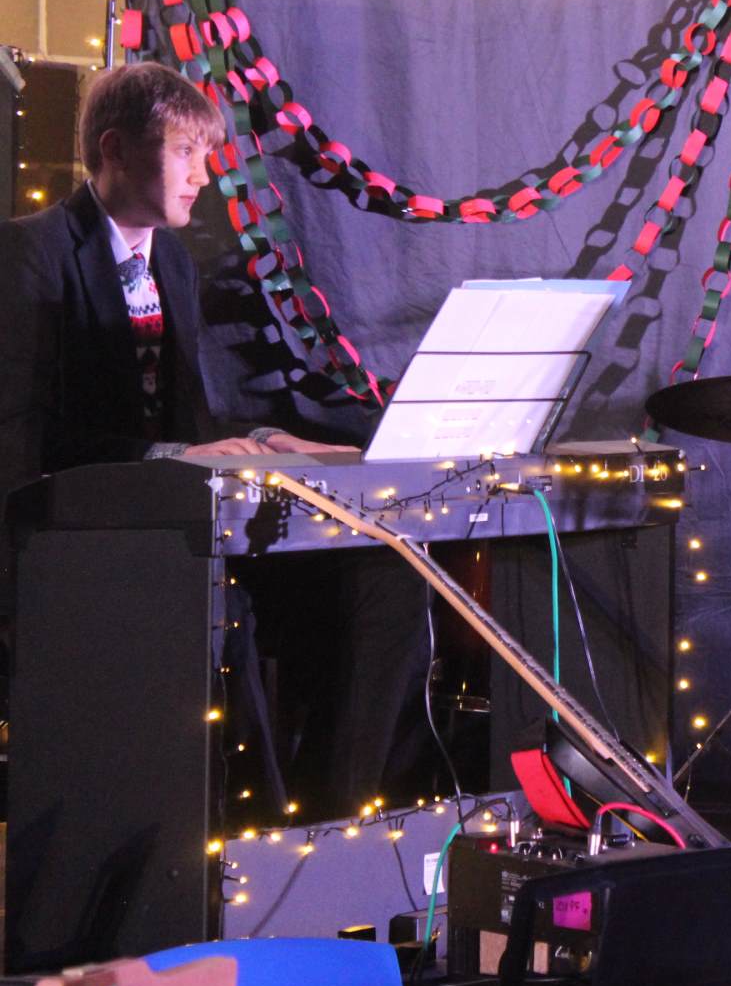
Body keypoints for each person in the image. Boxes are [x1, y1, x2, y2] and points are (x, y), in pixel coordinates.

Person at [0, 61, 431, 818]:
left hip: (180, 526)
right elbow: (22, 439)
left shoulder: (171, 262)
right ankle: (244, 834)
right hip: (81, 543)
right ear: (115, 149)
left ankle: (329, 821)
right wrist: (167, 459)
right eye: (185, 152)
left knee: (386, 577)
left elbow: (188, 423)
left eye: (206, 154)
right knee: (222, 613)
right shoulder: (28, 253)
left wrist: (268, 440)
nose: (203, 176)